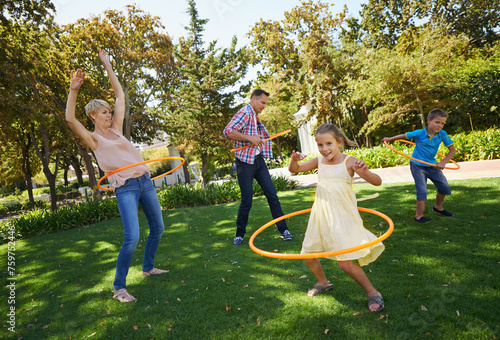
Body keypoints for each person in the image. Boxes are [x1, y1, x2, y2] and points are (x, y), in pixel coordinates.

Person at [65, 50, 168, 303]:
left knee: (158, 228)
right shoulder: (94, 139)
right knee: (131, 236)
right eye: (103, 112)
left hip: (144, 181)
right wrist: (74, 90)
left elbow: (121, 95)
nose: (109, 114)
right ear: (92, 116)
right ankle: (119, 288)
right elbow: (69, 118)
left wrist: (108, 64)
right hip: (125, 188)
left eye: (109, 111)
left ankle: (148, 268)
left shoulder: (117, 129)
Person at [288, 123, 385, 312]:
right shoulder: (319, 161)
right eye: (320, 145)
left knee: (345, 263)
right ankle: (323, 282)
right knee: (308, 254)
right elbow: (295, 169)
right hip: (321, 216)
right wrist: (293, 159)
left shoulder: (349, 161)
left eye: (329, 143)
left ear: (339, 142)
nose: (324, 149)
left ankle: (373, 293)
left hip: (343, 218)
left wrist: (364, 171)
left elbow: (377, 182)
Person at [223, 89, 292, 246]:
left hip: (258, 160)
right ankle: (240, 234)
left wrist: (257, 139)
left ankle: (283, 229)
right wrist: (250, 138)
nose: (264, 106)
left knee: (272, 195)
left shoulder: (254, 115)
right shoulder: (245, 113)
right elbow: (227, 131)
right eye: (262, 103)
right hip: (244, 162)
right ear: (253, 99)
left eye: (266, 104)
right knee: (247, 200)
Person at [382, 109, 456, 223]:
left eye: (442, 123)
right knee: (422, 190)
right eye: (437, 122)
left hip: (432, 165)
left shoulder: (442, 134)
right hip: (417, 165)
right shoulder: (419, 133)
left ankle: (438, 207)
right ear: (429, 121)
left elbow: (452, 150)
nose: (440, 125)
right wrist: (389, 139)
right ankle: (419, 216)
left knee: (444, 187)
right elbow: (403, 136)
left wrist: (443, 162)